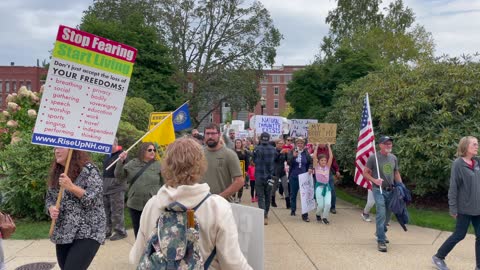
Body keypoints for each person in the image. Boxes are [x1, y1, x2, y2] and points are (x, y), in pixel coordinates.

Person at [129, 137, 252, 269]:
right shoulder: (217, 207)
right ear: (200, 164)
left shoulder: (152, 204)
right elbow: (233, 263)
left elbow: (136, 258)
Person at [46, 148, 106, 270]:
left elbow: (94, 199)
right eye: (55, 147)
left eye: (60, 147)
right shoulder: (58, 171)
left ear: (72, 150)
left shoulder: (89, 169)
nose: (56, 151)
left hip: (88, 230)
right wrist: (51, 208)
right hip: (64, 231)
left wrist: (71, 187)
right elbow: (49, 199)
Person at [432, 136, 480, 270]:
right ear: (465, 147)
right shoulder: (458, 163)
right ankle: (438, 257)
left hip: (478, 208)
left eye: (477, 144)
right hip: (464, 208)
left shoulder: (477, 162)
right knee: (459, 235)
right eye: (474, 144)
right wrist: (453, 208)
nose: (477, 146)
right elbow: (453, 187)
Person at [363, 136, 403, 252]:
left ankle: (380, 231)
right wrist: (374, 180)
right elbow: (365, 173)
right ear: (380, 145)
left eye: (390, 144)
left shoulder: (393, 158)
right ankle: (381, 240)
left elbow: (396, 172)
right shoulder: (373, 158)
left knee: (388, 215)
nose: (388, 145)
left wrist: (401, 186)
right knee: (381, 212)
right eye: (386, 144)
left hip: (391, 190)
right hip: (378, 189)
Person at [115, 142, 162, 238]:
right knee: (138, 231)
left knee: (153, 231)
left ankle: (152, 251)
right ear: (142, 151)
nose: (153, 152)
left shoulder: (158, 165)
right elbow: (119, 176)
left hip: (152, 204)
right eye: (150, 150)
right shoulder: (133, 163)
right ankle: (139, 251)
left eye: (154, 150)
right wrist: (120, 162)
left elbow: (164, 184)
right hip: (135, 204)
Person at [202, 123, 244, 202]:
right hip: (201, 204)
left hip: (222, 204)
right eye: (207, 133)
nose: (210, 136)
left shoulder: (229, 155)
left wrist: (219, 197)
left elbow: (239, 181)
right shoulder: (198, 154)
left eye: (213, 133)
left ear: (219, 134)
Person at [102, 138, 127, 240]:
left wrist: (122, 160)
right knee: (106, 211)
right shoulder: (107, 155)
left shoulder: (122, 155)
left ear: (116, 143)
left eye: (110, 143)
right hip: (105, 187)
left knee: (117, 211)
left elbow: (122, 172)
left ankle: (120, 232)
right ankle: (107, 230)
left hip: (116, 187)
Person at [287, 137, 313, 222]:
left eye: (301, 143)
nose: (300, 145)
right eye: (298, 143)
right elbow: (288, 162)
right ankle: (293, 209)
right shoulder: (292, 152)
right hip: (294, 176)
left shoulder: (306, 153)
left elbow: (310, 162)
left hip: (304, 177)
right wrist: (293, 156)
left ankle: (305, 215)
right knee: (293, 194)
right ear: (296, 144)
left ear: (304, 145)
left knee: (304, 196)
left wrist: (310, 168)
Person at [253, 132, 277, 225]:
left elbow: (254, 161)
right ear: (269, 138)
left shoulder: (256, 149)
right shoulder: (273, 150)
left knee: (260, 197)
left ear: (261, 139)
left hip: (259, 176)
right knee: (268, 196)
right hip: (270, 177)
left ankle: (263, 214)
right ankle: (266, 213)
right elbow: (276, 159)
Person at [315, 144, 341, 214]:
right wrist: (316, 147)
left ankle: (332, 207)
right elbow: (314, 158)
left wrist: (337, 170)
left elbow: (332, 159)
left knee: (332, 190)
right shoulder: (315, 151)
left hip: (327, 176)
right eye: (320, 142)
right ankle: (320, 207)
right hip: (319, 180)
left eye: (323, 142)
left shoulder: (328, 152)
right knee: (319, 195)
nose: (323, 161)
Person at [312, 144, 333, 224]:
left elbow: (331, 157)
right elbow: (314, 156)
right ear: (319, 161)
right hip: (319, 188)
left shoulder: (327, 167)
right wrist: (317, 146)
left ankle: (324, 218)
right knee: (320, 205)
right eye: (322, 160)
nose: (324, 161)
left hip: (327, 188)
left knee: (328, 204)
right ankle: (318, 214)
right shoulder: (316, 167)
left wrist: (329, 146)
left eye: (325, 160)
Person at [274, 138, 290, 209]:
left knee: (285, 186)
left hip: (282, 172)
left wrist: (290, 155)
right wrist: (280, 153)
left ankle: (288, 203)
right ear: (276, 144)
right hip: (275, 172)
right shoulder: (274, 151)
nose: (281, 145)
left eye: (282, 144)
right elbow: (274, 159)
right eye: (279, 143)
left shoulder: (284, 151)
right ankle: (272, 201)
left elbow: (288, 161)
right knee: (274, 187)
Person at [233, 139, 249, 203]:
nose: (238, 144)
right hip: (233, 170)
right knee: (233, 184)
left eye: (239, 143)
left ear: (241, 144)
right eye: (237, 143)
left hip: (242, 170)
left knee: (240, 184)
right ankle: (233, 197)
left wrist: (246, 170)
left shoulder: (244, 151)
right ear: (235, 144)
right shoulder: (232, 151)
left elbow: (247, 161)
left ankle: (239, 197)